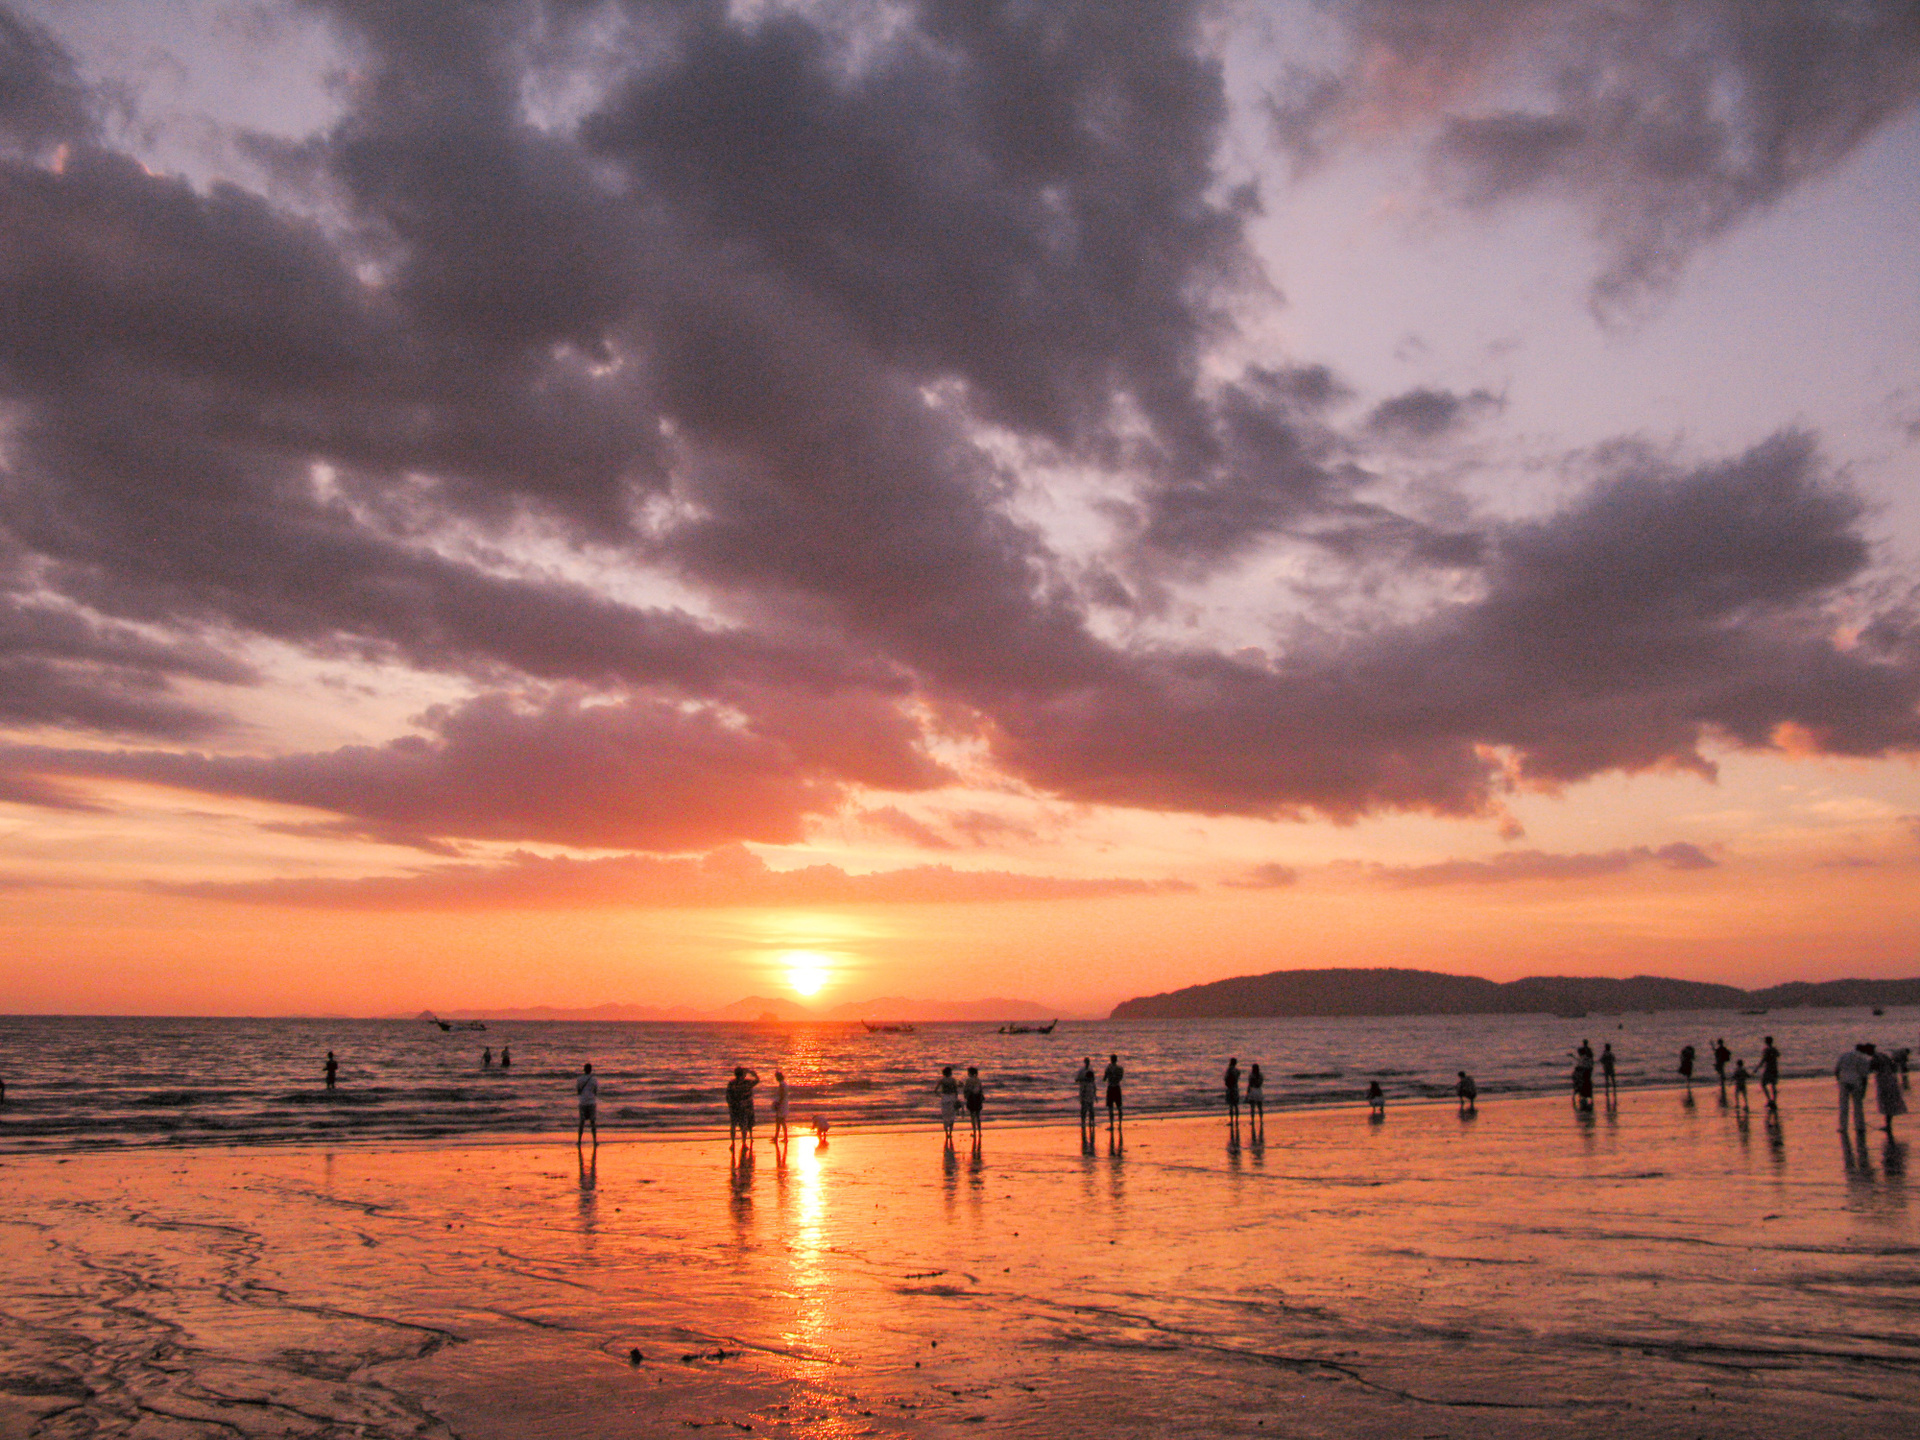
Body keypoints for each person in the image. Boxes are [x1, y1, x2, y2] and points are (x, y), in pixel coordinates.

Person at [1836, 1044, 1873, 1133]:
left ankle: (1843, 1127)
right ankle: (1860, 1126)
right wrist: (1864, 1090)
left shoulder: (1844, 1055)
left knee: (1843, 1105)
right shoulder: (1863, 1059)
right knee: (1858, 1105)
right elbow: (1864, 1076)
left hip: (1844, 1081)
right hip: (1856, 1082)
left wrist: (1839, 1080)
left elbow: (1837, 1070)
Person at [1872, 1047, 1907, 1136]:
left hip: (1885, 1084)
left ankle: (1888, 1125)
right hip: (1892, 1083)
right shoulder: (1888, 1063)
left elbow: (1872, 1068)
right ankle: (1888, 1125)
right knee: (1890, 1105)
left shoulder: (1879, 1063)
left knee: (1887, 1104)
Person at [726, 1066, 760, 1146]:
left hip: (734, 1107)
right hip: (744, 1107)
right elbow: (757, 1080)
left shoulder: (732, 1083)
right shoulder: (747, 1083)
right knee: (743, 1126)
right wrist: (753, 1073)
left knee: (733, 1125)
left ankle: (733, 1143)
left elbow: (728, 1095)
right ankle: (744, 1143)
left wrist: (730, 1105)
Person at [575, 1062, 599, 1145]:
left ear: (584, 1070)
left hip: (582, 1102)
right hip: (591, 1102)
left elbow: (578, 1091)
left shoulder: (579, 1079)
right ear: (591, 1070)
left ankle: (579, 1141)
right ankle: (595, 1141)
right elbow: (595, 1091)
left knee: (582, 1122)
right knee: (593, 1122)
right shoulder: (594, 1079)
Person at [936, 1065, 960, 1144]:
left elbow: (935, 1090)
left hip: (944, 1098)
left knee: (945, 1116)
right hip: (952, 1097)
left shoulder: (942, 1080)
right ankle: (950, 1133)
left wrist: (941, 1096)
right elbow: (956, 1090)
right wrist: (956, 1099)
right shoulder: (953, 1080)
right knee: (952, 1116)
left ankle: (946, 1133)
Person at [1076, 1057, 1097, 1139]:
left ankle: (1091, 1122)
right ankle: (1083, 1122)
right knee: (1084, 1109)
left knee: (1091, 1108)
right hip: (1084, 1089)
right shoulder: (1081, 1070)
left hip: (1089, 1091)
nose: (1088, 1063)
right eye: (1086, 1062)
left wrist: (1095, 1094)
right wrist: (1083, 1079)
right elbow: (1077, 1079)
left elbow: (1093, 1080)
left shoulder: (1091, 1070)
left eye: (1088, 1062)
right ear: (1085, 1062)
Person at [1757, 1036, 1780, 1110]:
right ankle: (1774, 1101)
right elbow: (1778, 1055)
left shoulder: (1766, 1050)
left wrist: (1757, 1068)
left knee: (1763, 1084)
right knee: (1773, 1085)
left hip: (1768, 1068)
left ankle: (1769, 1100)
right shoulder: (1774, 1049)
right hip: (1774, 1068)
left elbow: (1763, 1060)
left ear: (1766, 1042)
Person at [1102, 1053, 1125, 1131]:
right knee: (1119, 1107)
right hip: (1117, 1087)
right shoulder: (1120, 1068)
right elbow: (1121, 1078)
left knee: (1110, 1107)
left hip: (1111, 1087)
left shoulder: (1108, 1068)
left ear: (1111, 1060)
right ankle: (1120, 1124)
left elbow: (1104, 1079)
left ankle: (1112, 1125)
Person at [962, 1065, 985, 1140]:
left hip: (971, 1097)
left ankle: (974, 1132)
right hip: (978, 1097)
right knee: (978, 1116)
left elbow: (966, 1089)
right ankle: (979, 1132)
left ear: (970, 1073)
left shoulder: (968, 1080)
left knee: (972, 1116)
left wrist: (965, 1095)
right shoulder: (978, 1080)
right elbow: (981, 1089)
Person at [771, 1069, 790, 1146]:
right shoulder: (784, 1084)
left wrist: (778, 1104)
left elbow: (781, 1095)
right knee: (780, 1121)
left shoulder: (782, 1085)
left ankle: (782, 1137)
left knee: (780, 1121)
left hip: (782, 1104)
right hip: (784, 1104)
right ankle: (778, 1137)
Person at [1246, 1063, 1265, 1134]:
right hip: (1259, 1090)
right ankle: (1261, 1120)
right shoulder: (1260, 1075)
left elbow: (1249, 1084)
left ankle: (1252, 1120)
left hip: (1253, 1090)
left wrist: (1247, 1093)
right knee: (1260, 1107)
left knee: (1252, 1107)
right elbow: (1261, 1083)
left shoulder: (1251, 1076)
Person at [1223, 1058, 1241, 1128]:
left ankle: (1231, 1120)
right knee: (1236, 1105)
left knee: (1231, 1105)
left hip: (1230, 1088)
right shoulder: (1237, 1071)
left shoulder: (1229, 1070)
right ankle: (1236, 1120)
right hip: (1235, 1087)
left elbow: (1226, 1078)